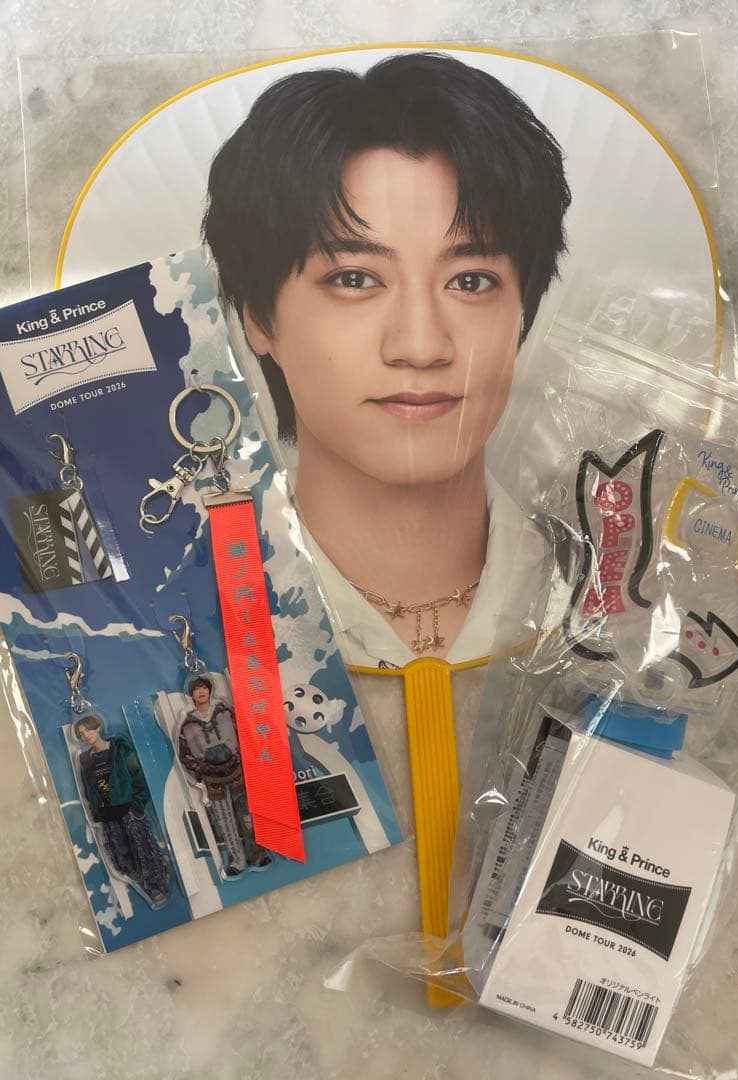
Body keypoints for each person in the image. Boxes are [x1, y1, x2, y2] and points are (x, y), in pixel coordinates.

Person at [203, 51, 571, 668]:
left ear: (523, 314)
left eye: (471, 281)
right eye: (354, 279)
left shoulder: (620, 606)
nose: (421, 346)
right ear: (258, 318)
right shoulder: (177, 627)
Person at [177, 675, 272, 877]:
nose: (201, 692)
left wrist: (245, 760)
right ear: (191, 694)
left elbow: (245, 735)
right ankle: (237, 861)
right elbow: (184, 756)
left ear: (210, 690)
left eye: (204, 687)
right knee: (225, 821)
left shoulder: (226, 712)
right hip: (213, 782)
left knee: (247, 816)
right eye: (196, 689)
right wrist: (201, 771)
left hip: (237, 773)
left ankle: (257, 854)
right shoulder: (187, 725)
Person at [74, 715, 170, 905]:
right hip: (107, 814)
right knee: (121, 855)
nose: (85, 735)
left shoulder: (119, 748)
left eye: (88, 730)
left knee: (142, 847)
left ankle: (155, 883)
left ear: (98, 728)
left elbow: (139, 776)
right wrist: (96, 811)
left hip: (129, 809)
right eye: (81, 734)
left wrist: (137, 804)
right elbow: (88, 790)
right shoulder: (85, 760)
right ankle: (145, 880)